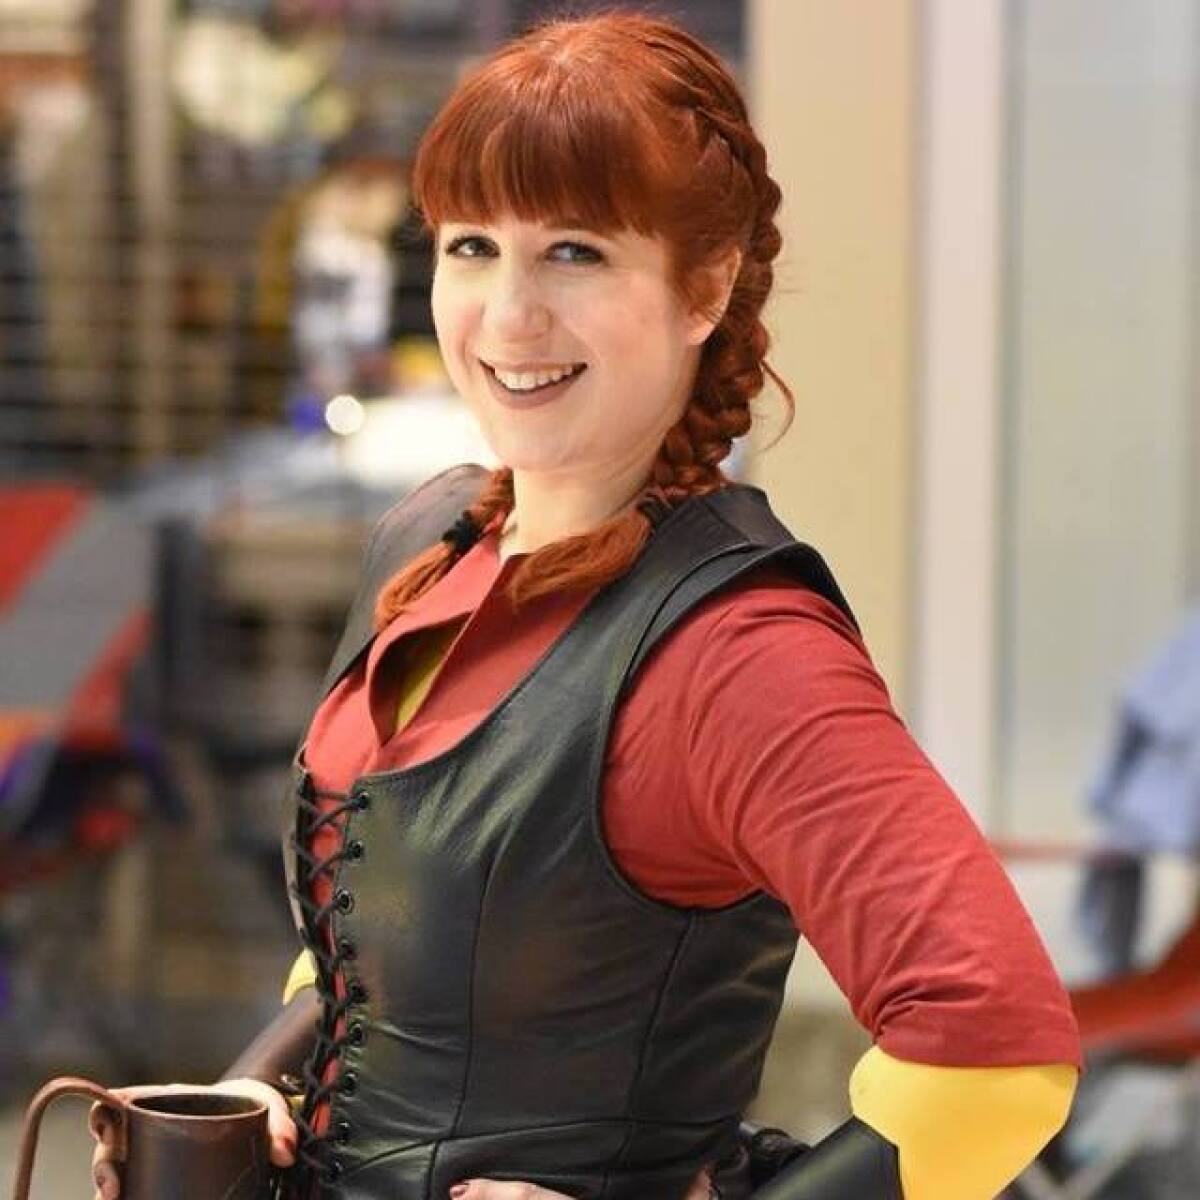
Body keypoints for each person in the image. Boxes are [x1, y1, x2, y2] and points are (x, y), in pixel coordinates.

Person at [92, 12, 1081, 1200]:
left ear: (703, 286)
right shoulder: (434, 539)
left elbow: (1000, 1052)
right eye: (471, 247)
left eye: (575, 252)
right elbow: (370, 934)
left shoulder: (738, 655)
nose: (508, 318)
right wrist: (253, 1093)